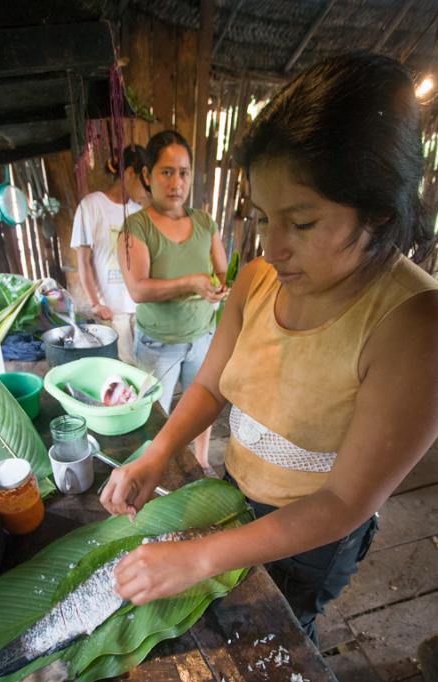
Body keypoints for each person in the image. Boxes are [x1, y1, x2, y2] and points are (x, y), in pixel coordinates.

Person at [102, 52, 438, 645]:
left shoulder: (414, 325)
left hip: (315, 534)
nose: (272, 247)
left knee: (285, 632)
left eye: (301, 224)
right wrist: (157, 452)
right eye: (261, 217)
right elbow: (208, 386)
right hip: (236, 489)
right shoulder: (258, 281)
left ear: (378, 212)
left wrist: (202, 558)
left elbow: (342, 501)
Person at [117, 130, 229, 471]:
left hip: (201, 338)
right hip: (157, 344)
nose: (176, 182)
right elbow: (138, 289)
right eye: (166, 172)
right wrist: (191, 283)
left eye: (183, 172)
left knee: (201, 407)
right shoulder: (136, 227)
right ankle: (159, 470)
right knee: (156, 417)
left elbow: (223, 273)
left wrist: (219, 288)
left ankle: (199, 459)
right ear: (148, 175)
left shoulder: (204, 223)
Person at [70, 144, 148, 364]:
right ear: (130, 174)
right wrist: (96, 304)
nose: (147, 190)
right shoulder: (92, 206)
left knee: (145, 369)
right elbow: (83, 262)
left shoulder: (139, 212)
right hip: (112, 309)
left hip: (141, 307)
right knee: (125, 367)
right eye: (144, 182)